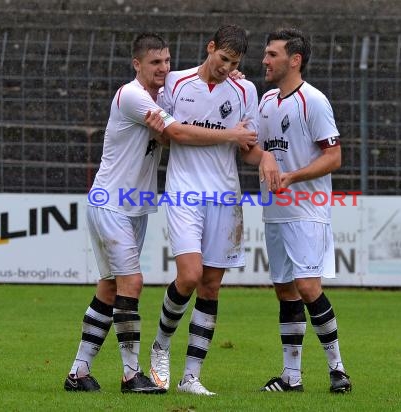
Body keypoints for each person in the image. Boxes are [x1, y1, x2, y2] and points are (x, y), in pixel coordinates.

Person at [64, 32, 259, 394]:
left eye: (167, 61)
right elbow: (177, 133)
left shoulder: (168, 90)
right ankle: (131, 374)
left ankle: (78, 372)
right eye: (155, 62)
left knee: (109, 288)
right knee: (132, 283)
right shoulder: (133, 96)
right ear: (137, 64)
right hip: (111, 201)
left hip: (135, 205)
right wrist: (231, 135)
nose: (163, 69)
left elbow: (173, 132)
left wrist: (234, 82)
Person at [148, 24, 279, 396]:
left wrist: (264, 156)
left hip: (225, 196)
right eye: (222, 59)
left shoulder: (244, 90)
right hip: (184, 193)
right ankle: (160, 346)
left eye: (233, 63)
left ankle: (191, 377)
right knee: (188, 276)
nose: (226, 68)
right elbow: (172, 134)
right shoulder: (175, 82)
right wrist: (230, 135)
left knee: (211, 286)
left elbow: (247, 146)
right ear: (210, 48)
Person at [257, 28, 352, 393]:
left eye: (272, 54)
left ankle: (338, 369)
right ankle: (291, 377)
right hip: (274, 212)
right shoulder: (265, 101)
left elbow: (334, 156)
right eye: (265, 54)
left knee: (308, 287)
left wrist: (293, 176)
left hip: (307, 210)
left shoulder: (313, 101)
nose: (265, 60)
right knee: (285, 291)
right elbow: (252, 143)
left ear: (294, 60)